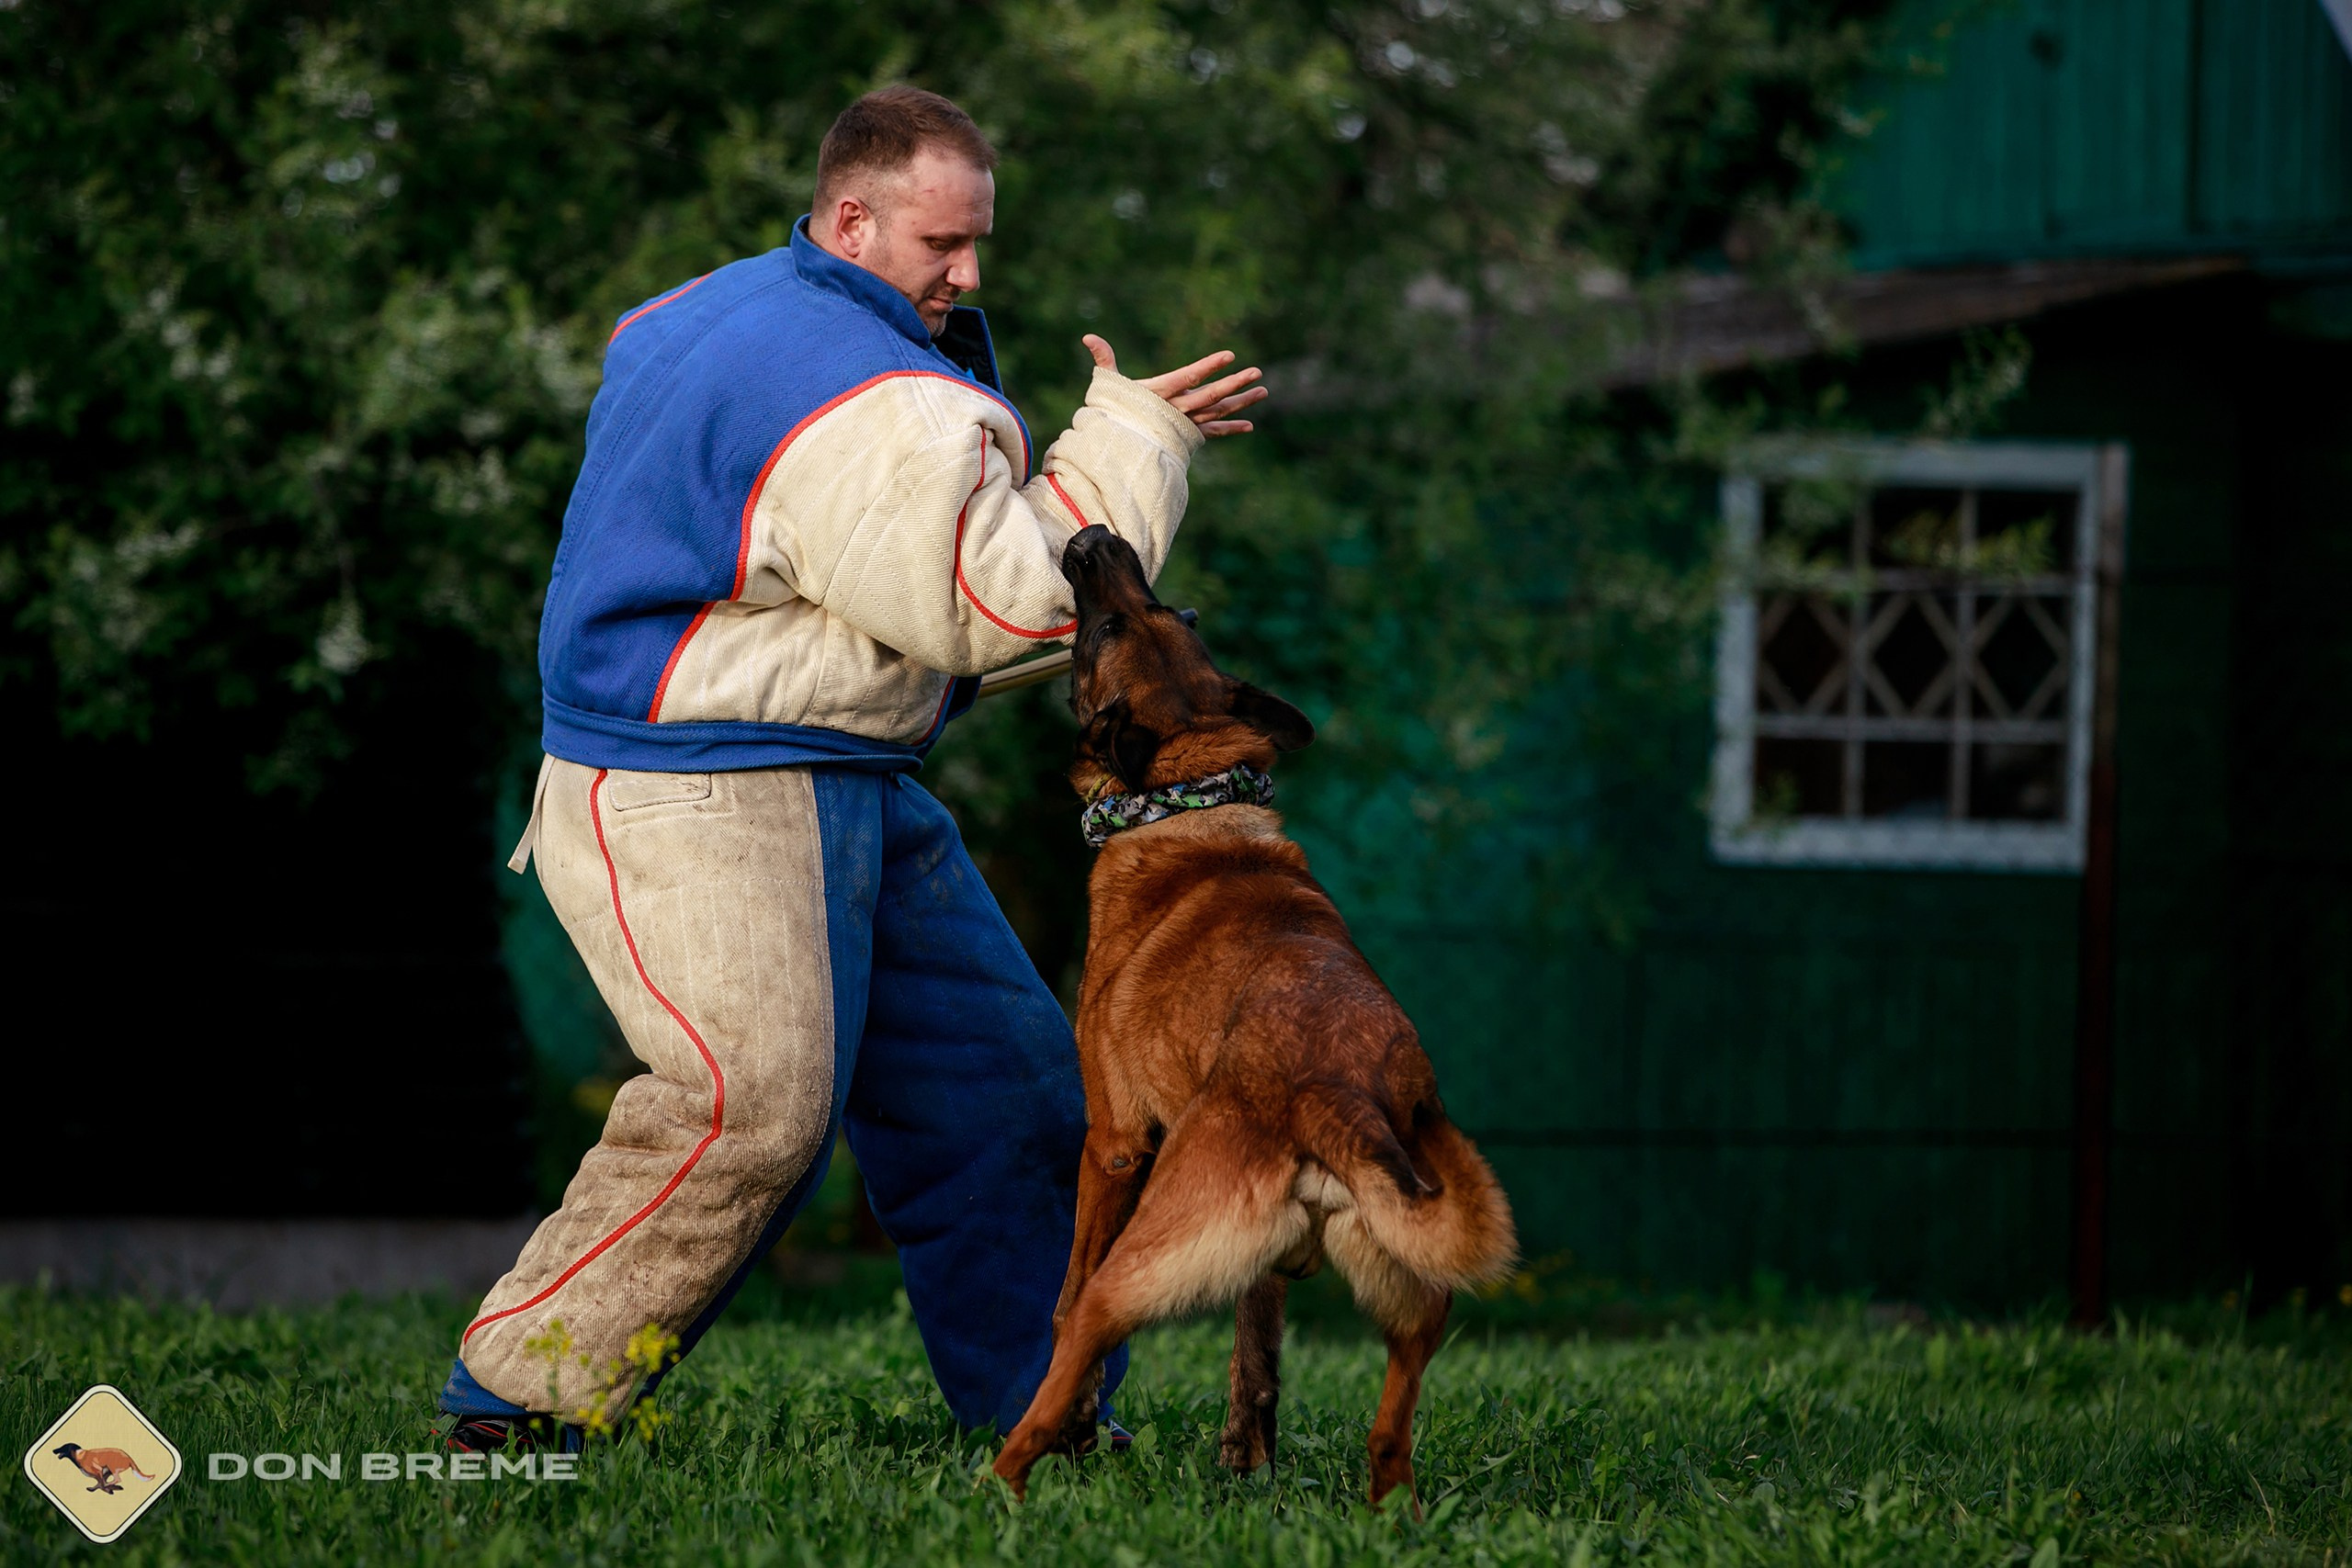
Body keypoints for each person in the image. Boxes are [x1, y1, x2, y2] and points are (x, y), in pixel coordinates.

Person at [435, 85, 1266, 1450]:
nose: (970, 273)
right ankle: (515, 1410)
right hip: (701, 785)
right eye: (943, 244)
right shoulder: (869, 392)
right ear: (853, 216)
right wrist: (1133, 440)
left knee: (1006, 1097)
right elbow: (1012, 612)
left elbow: (864, 579)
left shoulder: (721, 311)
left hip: (841, 771)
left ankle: (1045, 1422)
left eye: (978, 241)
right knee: (746, 1110)